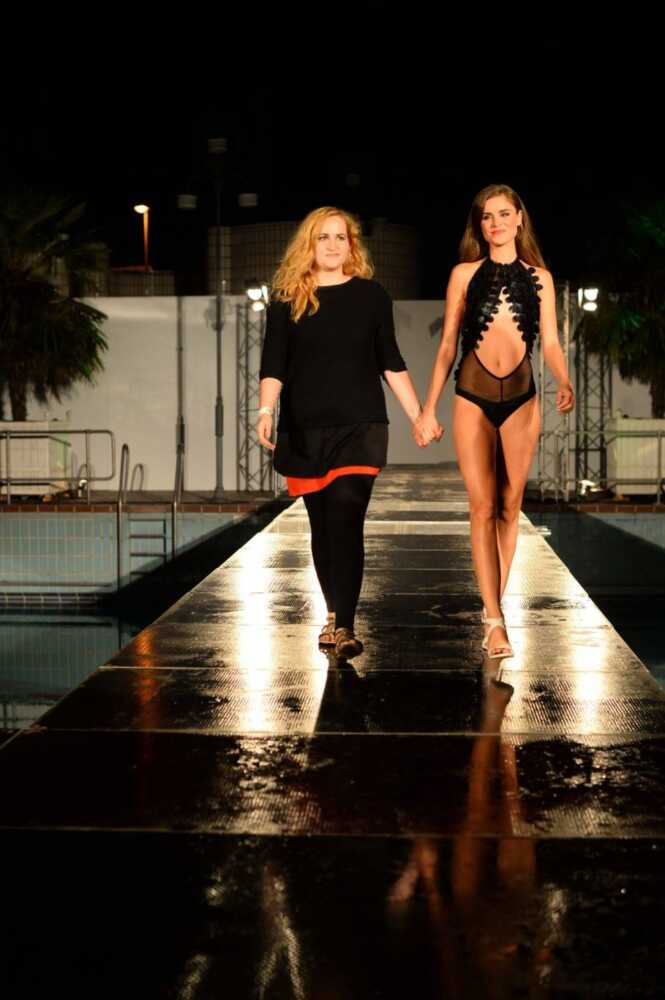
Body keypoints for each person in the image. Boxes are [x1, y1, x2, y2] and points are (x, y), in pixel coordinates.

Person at [257, 207, 427, 659]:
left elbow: (390, 360)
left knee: (347, 515)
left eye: (341, 237)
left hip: (361, 425)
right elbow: (273, 362)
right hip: (305, 428)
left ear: (352, 245)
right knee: (323, 526)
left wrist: (417, 415)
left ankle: (346, 627)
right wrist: (265, 410)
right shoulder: (287, 299)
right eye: (323, 237)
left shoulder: (371, 296)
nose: (333, 245)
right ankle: (333, 614)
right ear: (309, 245)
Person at [414, 184, 574, 658]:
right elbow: (447, 344)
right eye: (487, 216)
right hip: (472, 394)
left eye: (504, 214)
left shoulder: (541, 279)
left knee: (510, 506)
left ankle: (493, 607)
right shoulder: (464, 275)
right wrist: (427, 408)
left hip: (523, 397)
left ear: (520, 219)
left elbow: (550, 342)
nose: (496, 223)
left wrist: (563, 379)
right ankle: (494, 619)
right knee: (482, 506)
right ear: (479, 225)